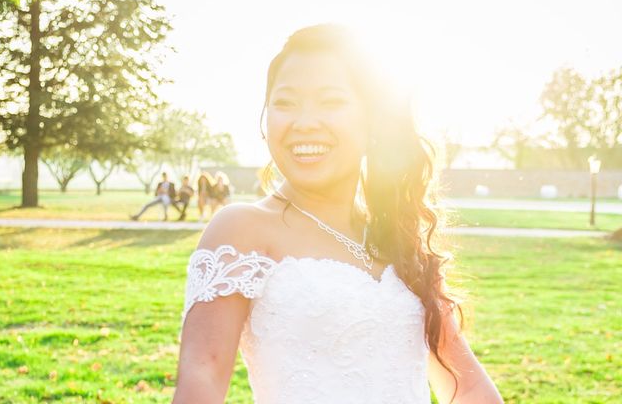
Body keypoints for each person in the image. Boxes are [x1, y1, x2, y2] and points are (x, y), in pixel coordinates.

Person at [173, 25, 504, 403]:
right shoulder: (241, 229)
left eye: (330, 102)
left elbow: (467, 384)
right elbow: (203, 377)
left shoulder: (398, 237)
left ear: (372, 120)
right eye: (285, 103)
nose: (304, 122)